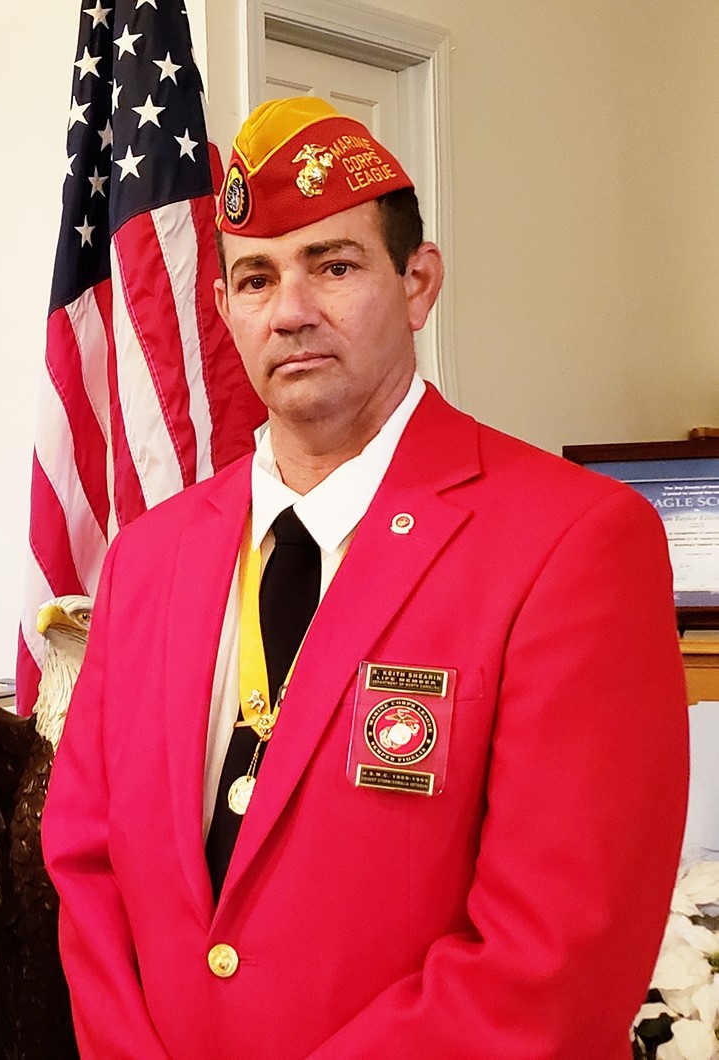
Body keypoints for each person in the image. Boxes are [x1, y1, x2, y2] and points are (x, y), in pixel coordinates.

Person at [43, 97, 689, 1057]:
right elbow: (86, 864)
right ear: (221, 309)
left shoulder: (574, 543)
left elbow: (555, 954)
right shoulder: (149, 556)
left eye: (333, 266)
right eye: (254, 278)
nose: (291, 311)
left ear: (418, 282)